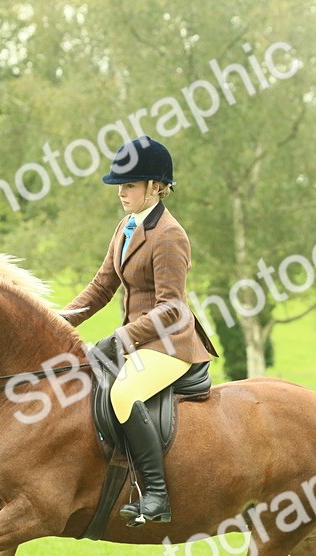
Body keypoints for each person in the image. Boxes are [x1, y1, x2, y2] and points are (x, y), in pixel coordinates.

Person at [61, 136, 217, 525]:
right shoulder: (126, 227)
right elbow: (100, 287)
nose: (121, 192)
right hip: (139, 343)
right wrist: (57, 322)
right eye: (119, 185)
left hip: (170, 346)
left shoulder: (169, 235)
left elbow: (171, 308)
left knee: (125, 391)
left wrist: (120, 338)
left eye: (129, 185)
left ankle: (157, 495)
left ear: (156, 187)